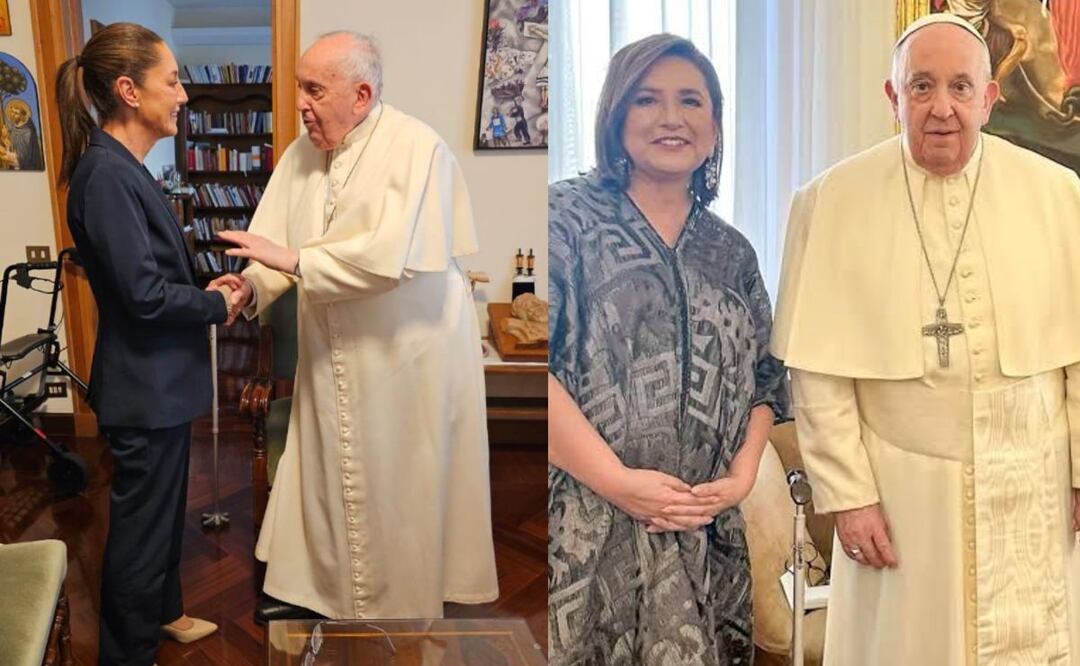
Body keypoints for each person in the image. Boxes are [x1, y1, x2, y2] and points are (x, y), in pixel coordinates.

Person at [771, 13, 1080, 665]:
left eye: (960, 87)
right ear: (893, 98)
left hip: (1037, 488)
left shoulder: (1059, 195)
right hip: (908, 496)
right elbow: (818, 374)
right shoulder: (831, 200)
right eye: (921, 87)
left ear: (989, 99)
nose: (942, 108)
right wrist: (849, 498)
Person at [210, 31, 498, 620]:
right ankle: (326, 592)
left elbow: (384, 258)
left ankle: (402, 602)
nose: (301, 104)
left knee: (400, 479)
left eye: (314, 89)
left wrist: (290, 262)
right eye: (299, 88)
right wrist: (246, 286)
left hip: (407, 351)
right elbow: (276, 245)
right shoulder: (301, 154)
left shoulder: (417, 149)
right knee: (327, 470)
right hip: (333, 351)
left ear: (362, 94)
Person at [547, 34, 790, 665]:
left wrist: (740, 478)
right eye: (648, 100)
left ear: (714, 124)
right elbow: (539, 376)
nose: (671, 118)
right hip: (593, 521)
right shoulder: (565, 219)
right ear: (615, 113)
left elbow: (768, 379)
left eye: (691, 101)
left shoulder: (733, 252)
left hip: (706, 533)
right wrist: (620, 483)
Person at [55, 22, 238, 665]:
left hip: (160, 382)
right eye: (173, 80)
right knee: (139, 532)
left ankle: (166, 613)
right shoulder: (105, 175)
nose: (184, 95)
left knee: (161, 518)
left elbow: (150, 275)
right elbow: (144, 296)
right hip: (144, 387)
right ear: (130, 91)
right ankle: (126, 652)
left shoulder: (124, 169)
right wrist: (217, 302)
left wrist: (202, 283)